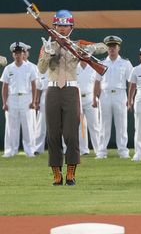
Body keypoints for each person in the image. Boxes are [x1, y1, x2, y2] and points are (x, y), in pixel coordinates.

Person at [38, 10, 107, 185]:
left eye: (65, 25)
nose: (62, 29)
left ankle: (70, 173)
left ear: (71, 27)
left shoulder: (77, 44)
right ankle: (56, 174)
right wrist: (47, 53)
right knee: (53, 135)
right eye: (59, 25)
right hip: (53, 90)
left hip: (70, 90)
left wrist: (88, 49)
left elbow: (104, 47)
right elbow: (41, 69)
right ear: (54, 27)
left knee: (71, 134)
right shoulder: (48, 45)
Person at [94, 35, 133, 159]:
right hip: (104, 95)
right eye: (109, 47)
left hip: (120, 94)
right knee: (103, 125)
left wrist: (130, 99)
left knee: (121, 124)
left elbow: (131, 81)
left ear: (118, 48)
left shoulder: (125, 63)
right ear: (107, 48)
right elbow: (96, 81)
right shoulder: (101, 63)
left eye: (114, 46)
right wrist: (95, 98)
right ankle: (101, 152)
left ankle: (123, 151)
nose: (112, 49)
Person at [1, 42, 37, 158]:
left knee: (28, 126)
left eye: (20, 53)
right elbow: (5, 87)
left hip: (26, 98)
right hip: (12, 99)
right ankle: (10, 150)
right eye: (15, 53)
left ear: (24, 54)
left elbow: (34, 85)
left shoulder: (30, 67)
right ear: (13, 55)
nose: (18, 55)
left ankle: (30, 150)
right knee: (11, 126)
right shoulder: (8, 68)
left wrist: (34, 101)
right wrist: (4, 102)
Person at [77, 60, 102, 156]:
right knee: (81, 126)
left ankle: (99, 150)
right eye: (82, 54)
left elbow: (98, 83)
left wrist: (97, 97)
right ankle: (83, 150)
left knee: (94, 125)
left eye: (85, 54)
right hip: (78, 98)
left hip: (91, 97)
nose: (83, 57)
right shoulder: (74, 67)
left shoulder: (94, 68)